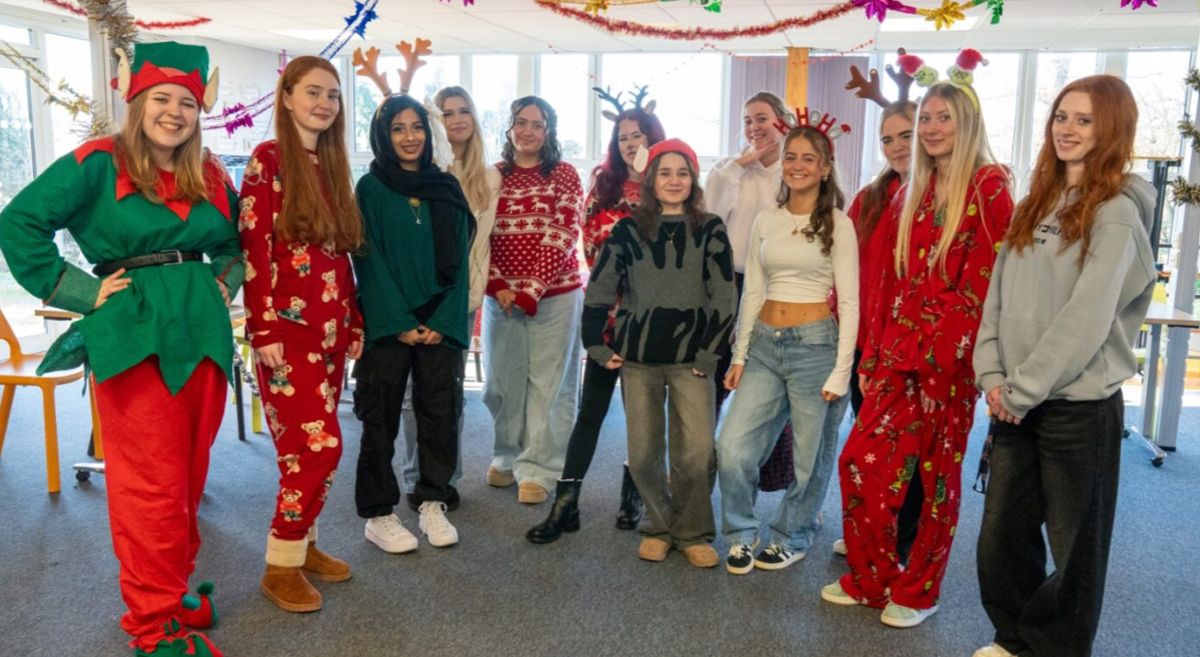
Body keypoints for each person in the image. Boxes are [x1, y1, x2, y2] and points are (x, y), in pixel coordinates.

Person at [0, 42, 240, 656]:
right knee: (149, 484)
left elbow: (237, 244)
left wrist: (225, 279)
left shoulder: (209, 173)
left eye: (186, 102)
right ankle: (152, 619)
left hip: (202, 332)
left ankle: (173, 588)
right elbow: (18, 222)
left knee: (188, 474)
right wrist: (78, 290)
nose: (175, 112)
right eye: (161, 98)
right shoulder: (96, 162)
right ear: (135, 101)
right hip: (133, 331)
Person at [972, 75, 1156, 657]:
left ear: (1112, 130)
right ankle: (1013, 636)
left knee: (1075, 544)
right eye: (1061, 117)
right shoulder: (1034, 205)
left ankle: (1054, 647)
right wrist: (993, 376)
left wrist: (1020, 390)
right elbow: (997, 298)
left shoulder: (1117, 212)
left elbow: (1086, 318)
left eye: (1084, 120)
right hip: (1014, 400)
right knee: (1002, 536)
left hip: (1077, 406)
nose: (1067, 130)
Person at [824, 67, 1014, 628]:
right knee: (861, 461)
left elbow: (985, 284)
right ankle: (870, 578)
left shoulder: (989, 186)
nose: (931, 128)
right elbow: (892, 281)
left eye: (942, 118)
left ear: (967, 122)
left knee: (934, 483)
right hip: (895, 358)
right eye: (925, 118)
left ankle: (919, 590)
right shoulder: (911, 189)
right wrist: (877, 353)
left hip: (946, 366)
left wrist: (939, 357)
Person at [239, 55, 363, 614]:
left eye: (333, 95)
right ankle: (280, 563)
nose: (323, 103)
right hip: (284, 333)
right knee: (317, 447)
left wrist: (353, 319)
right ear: (286, 97)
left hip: (330, 329)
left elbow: (340, 257)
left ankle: (306, 543)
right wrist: (262, 324)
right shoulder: (268, 161)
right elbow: (255, 247)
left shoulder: (333, 165)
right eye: (313, 92)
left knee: (314, 450)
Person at [583, 138, 737, 567]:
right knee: (645, 450)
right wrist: (595, 343)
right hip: (639, 359)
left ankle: (692, 531)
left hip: (693, 359)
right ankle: (658, 524)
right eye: (665, 173)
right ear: (650, 180)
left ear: (693, 179)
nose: (674, 181)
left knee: (697, 451)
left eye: (683, 172)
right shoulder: (627, 230)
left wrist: (711, 353)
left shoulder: (710, 228)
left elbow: (724, 296)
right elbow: (599, 287)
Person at [717, 121, 858, 574]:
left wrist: (842, 369)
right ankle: (740, 532)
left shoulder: (839, 223)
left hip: (816, 347)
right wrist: (739, 354)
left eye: (808, 159)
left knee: (810, 456)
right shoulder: (767, 220)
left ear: (824, 168)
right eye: (791, 157)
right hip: (762, 345)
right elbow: (753, 290)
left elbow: (851, 301)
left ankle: (793, 534)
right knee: (733, 447)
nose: (797, 166)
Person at [527, 103, 664, 543]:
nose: (630, 143)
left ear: (652, 138)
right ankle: (566, 504)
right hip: (607, 317)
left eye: (638, 135)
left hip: (652, 320)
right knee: (591, 412)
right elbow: (590, 244)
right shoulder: (602, 185)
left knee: (643, 415)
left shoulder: (668, 185)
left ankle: (634, 492)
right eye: (624, 136)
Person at [352, 95, 473, 553]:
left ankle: (432, 501)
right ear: (384, 135)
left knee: (440, 413)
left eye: (417, 127)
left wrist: (441, 319)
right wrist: (400, 321)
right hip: (391, 322)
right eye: (398, 128)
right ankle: (379, 513)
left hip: (440, 318)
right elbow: (367, 258)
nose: (409, 136)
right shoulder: (371, 188)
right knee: (379, 416)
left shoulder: (446, 186)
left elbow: (460, 258)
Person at [382, 86, 501, 511]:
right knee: (418, 394)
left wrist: (473, 289)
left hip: (462, 298)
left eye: (463, 111)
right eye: (446, 113)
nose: (456, 120)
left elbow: (480, 244)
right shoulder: (419, 171)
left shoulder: (488, 178)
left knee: (447, 392)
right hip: (421, 296)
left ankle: (445, 476)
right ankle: (417, 477)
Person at [483, 96, 585, 504]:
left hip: (555, 296)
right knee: (502, 383)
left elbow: (563, 232)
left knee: (549, 385)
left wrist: (531, 290)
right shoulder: (493, 176)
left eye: (537, 124)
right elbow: (478, 236)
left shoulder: (563, 175)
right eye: (520, 123)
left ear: (549, 132)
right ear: (509, 128)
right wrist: (497, 285)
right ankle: (507, 456)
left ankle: (540, 469)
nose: (527, 131)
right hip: (500, 296)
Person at [832, 100, 921, 559]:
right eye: (887, 139)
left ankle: (899, 544)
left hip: (908, 349)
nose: (896, 147)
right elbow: (845, 267)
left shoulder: (938, 198)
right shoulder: (869, 198)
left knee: (907, 457)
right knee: (868, 450)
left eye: (906, 135)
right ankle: (871, 532)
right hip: (864, 345)